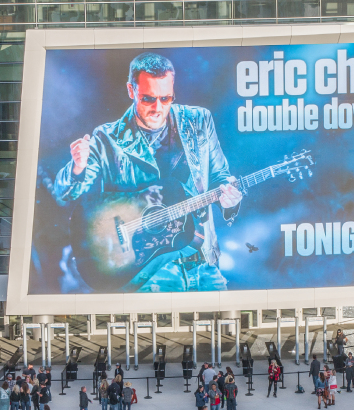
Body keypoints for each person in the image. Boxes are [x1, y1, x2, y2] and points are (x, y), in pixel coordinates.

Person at [46, 51, 243, 293]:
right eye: (148, 99)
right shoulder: (107, 138)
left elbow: (219, 177)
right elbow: (64, 193)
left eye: (166, 98)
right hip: (148, 275)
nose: (158, 108)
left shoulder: (198, 121)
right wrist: (78, 166)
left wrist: (230, 198)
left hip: (203, 262)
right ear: (131, 90)